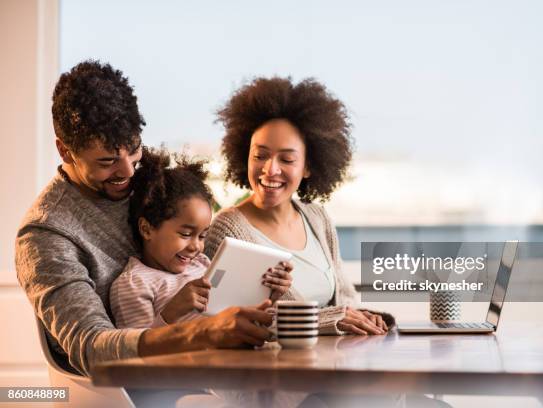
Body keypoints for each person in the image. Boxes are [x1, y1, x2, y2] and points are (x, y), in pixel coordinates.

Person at [15, 61, 273, 378]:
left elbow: (203, 256)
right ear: (65, 152)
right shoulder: (46, 235)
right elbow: (92, 348)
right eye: (107, 161)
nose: (126, 173)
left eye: (134, 150)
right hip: (127, 390)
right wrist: (203, 333)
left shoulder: (150, 185)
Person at [205, 76, 394, 335]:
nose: (270, 169)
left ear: (307, 167)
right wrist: (333, 319)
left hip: (334, 362)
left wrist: (362, 318)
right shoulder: (228, 229)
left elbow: (346, 298)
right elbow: (233, 321)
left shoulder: (317, 218)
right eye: (260, 156)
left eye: (287, 159)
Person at [110, 146, 292, 329]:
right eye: (186, 234)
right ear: (146, 229)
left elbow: (236, 316)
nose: (196, 246)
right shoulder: (135, 284)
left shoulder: (202, 265)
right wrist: (171, 312)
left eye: (203, 235)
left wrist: (268, 297)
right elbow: (135, 349)